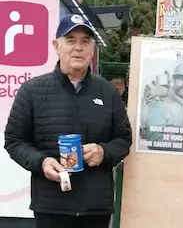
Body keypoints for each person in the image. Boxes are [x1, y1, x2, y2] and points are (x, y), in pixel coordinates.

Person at [4, 14, 132, 228]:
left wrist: (103, 152)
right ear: (57, 46)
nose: (78, 48)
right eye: (70, 40)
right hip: (51, 206)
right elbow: (14, 140)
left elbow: (124, 139)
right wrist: (41, 162)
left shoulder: (108, 92)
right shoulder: (32, 91)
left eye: (85, 41)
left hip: (95, 208)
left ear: (93, 48)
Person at [140, 61, 183, 152]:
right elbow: (153, 139)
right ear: (173, 80)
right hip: (163, 162)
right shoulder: (160, 103)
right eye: (181, 79)